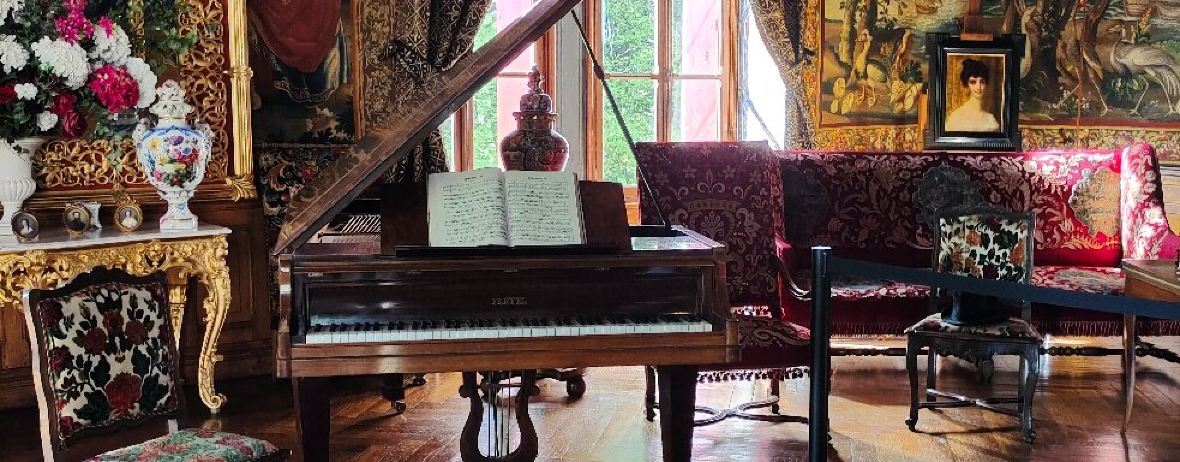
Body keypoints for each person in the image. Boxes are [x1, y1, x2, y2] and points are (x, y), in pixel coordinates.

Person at [944, 58, 1000, 133]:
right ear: (967, 85)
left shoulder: (991, 120)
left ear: (986, 84)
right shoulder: (956, 117)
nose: (978, 87)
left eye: (982, 82)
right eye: (973, 82)